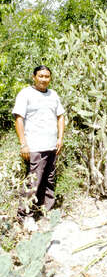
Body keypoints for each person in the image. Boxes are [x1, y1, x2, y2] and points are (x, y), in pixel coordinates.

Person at [12, 65, 65, 222]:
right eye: (41, 76)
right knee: (33, 182)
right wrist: (23, 144)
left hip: (52, 147)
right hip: (35, 147)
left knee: (49, 180)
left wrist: (60, 138)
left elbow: (60, 116)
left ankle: (45, 210)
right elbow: (19, 119)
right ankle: (24, 216)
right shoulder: (25, 94)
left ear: (50, 78)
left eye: (47, 76)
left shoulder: (53, 95)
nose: (44, 79)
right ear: (34, 77)